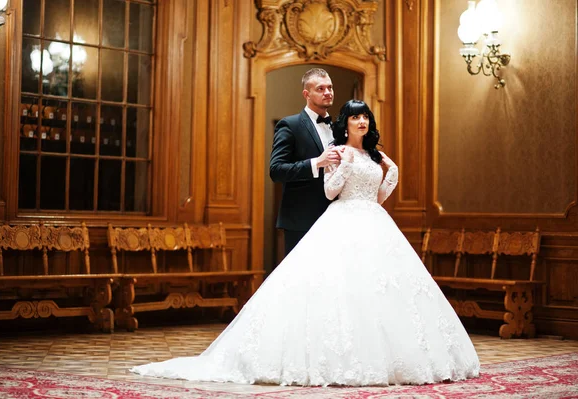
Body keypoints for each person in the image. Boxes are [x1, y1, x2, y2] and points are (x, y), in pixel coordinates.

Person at [131, 100, 480, 386]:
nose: (361, 121)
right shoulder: (338, 152)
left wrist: (392, 169)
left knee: (383, 290)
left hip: (374, 222)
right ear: (346, 123)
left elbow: (381, 195)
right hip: (342, 219)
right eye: (356, 116)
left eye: (365, 116)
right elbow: (330, 192)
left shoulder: (375, 156)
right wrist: (341, 165)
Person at [269, 68, 341, 256]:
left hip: (336, 219)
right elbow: (276, 170)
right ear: (306, 94)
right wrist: (316, 162)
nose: (328, 92)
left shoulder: (339, 128)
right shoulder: (290, 125)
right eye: (320, 88)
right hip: (301, 220)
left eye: (330, 87)